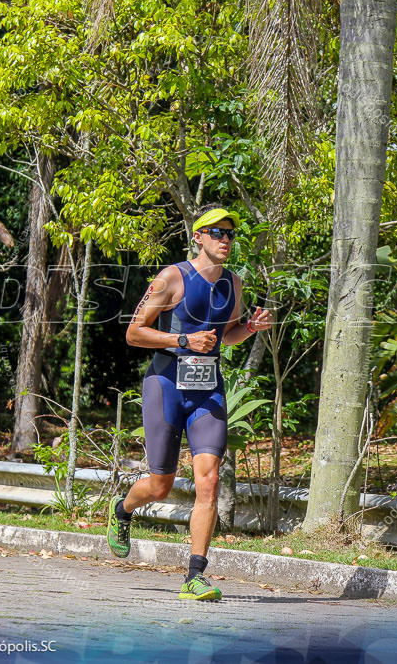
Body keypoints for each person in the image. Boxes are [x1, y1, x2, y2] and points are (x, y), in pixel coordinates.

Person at [107, 206, 273, 600]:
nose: (225, 240)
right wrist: (182, 341)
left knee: (209, 481)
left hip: (207, 390)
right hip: (165, 385)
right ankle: (123, 510)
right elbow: (134, 332)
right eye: (217, 232)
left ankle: (194, 576)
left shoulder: (235, 284)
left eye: (231, 234)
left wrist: (248, 328)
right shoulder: (171, 278)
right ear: (197, 237)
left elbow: (224, 336)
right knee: (161, 486)